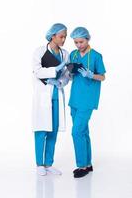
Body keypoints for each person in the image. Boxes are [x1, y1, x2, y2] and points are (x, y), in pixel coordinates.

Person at [32, 23, 70, 176]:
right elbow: (37, 71)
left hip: (56, 95)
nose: (64, 39)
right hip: (43, 96)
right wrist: (55, 69)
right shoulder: (40, 51)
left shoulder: (65, 54)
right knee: (41, 130)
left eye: (65, 37)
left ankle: (49, 163)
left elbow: (67, 75)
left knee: (53, 130)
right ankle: (39, 164)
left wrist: (61, 81)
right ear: (52, 36)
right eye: (61, 36)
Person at [69, 27, 106, 178]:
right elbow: (71, 76)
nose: (78, 45)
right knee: (83, 132)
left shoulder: (96, 56)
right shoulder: (74, 54)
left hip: (88, 99)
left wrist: (91, 75)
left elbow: (102, 77)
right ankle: (88, 164)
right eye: (76, 42)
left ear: (88, 39)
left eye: (81, 41)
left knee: (76, 132)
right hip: (74, 99)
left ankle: (82, 166)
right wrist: (70, 73)